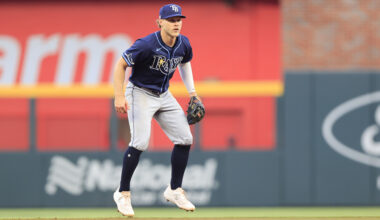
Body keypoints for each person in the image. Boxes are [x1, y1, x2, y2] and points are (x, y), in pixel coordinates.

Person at [112, 3, 199, 217]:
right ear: (159, 22)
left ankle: (174, 190)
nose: (176, 23)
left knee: (185, 139)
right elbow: (120, 65)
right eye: (171, 20)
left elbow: (185, 63)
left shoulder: (183, 43)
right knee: (140, 142)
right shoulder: (146, 44)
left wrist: (193, 94)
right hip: (139, 92)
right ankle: (122, 193)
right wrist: (119, 95)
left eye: (178, 19)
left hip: (163, 94)